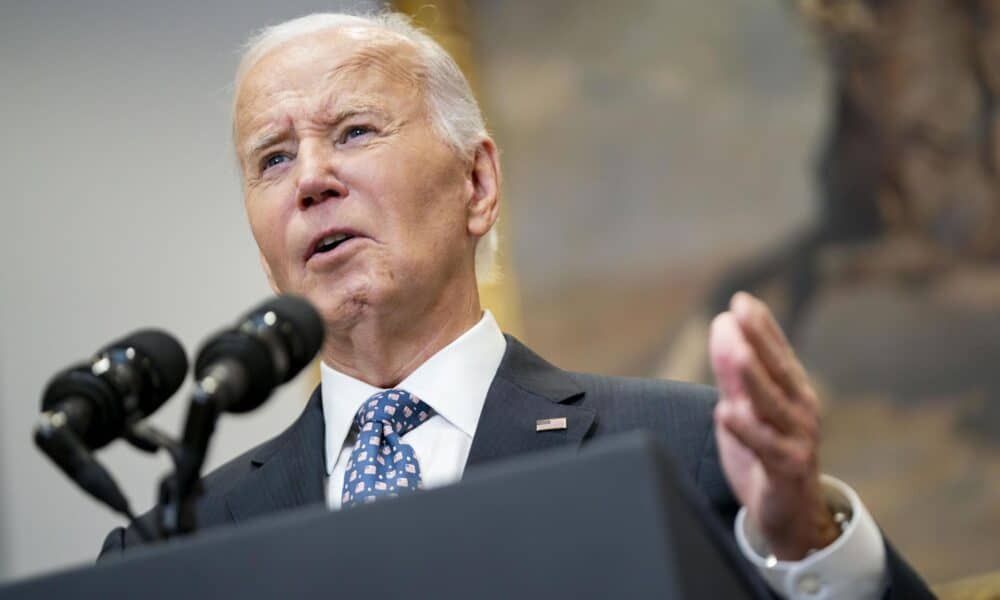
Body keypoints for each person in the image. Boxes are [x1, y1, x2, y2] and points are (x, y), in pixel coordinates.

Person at [99, 11, 932, 599]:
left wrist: (806, 542)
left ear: (477, 183)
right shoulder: (175, 544)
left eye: (353, 131)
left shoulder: (691, 453)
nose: (312, 179)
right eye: (272, 159)